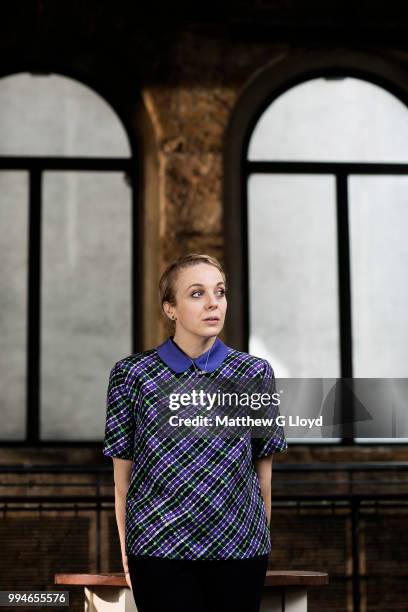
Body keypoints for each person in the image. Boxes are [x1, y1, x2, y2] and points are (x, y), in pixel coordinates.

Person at [102, 253, 288, 612]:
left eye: (219, 292)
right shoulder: (132, 375)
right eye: (197, 293)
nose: (213, 303)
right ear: (170, 308)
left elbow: (263, 475)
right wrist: (128, 548)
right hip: (158, 548)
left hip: (240, 550)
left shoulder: (254, 372)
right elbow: (122, 482)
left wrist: (256, 541)